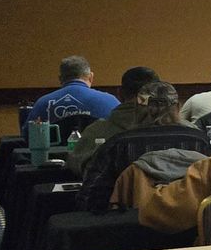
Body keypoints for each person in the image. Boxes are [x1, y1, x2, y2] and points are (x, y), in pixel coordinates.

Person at [81, 81, 204, 210]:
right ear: (178, 107)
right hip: (191, 217)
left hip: (133, 219)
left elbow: (91, 195)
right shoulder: (199, 141)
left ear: (136, 109)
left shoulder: (118, 145)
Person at [67, 66, 161, 174]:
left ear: (120, 93)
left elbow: (74, 165)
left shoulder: (95, 131)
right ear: (159, 96)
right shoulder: (175, 130)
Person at [31, 57, 119, 125]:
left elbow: (28, 135)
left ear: (60, 79)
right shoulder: (111, 101)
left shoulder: (42, 104)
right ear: (91, 77)